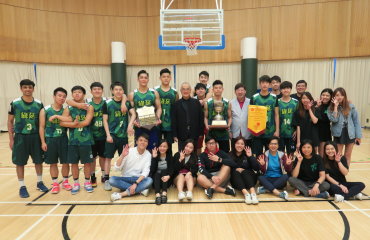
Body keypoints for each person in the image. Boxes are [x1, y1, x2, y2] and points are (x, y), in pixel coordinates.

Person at [8, 79, 48, 198]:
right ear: (21, 89)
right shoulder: (15, 103)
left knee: (38, 161)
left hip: (35, 136)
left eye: (30, 87)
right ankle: (22, 186)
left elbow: (42, 123)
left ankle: (40, 182)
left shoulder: (38, 103)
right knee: (20, 162)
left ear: (33, 89)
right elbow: (10, 121)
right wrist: (11, 139)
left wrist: (43, 140)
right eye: (25, 87)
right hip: (20, 137)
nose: (27, 89)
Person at [60, 86, 94, 195]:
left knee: (87, 163)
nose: (77, 94)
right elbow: (62, 123)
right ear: (72, 94)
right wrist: (72, 124)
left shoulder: (89, 107)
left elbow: (87, 122)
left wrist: (74, 124)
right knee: (74, 163)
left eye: (79, 92)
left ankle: (87, 183)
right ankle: (76, 183)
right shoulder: (68, 108)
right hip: (73, 141)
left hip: (86, 140)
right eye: (74, 92)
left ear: (84, 94)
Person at [103, 82, 136, 191]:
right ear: (112, 91)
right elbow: (105, 120)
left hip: (123, 136)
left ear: (123, 91)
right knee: (108, 158)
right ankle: (106, 179)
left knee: (125, 157)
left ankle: (125, 177)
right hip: (111, 135)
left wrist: (130, 125)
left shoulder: (126, 103)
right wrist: (108, 134)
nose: (118, 91)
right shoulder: (107, 103)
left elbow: (134, 114)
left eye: (120, 90)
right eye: (116, 89)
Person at [39, 87, 71, 194]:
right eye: (59, 96)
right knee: (53, 163)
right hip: (50, 140)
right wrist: (43, 142)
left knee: (66, 162)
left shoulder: (66, 110)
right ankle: (55, 183)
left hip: (63, 139)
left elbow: (70, 120)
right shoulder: (45, 110)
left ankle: (65, 181)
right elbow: (41, 127)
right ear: (54, 96)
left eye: (64, 96)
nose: (62, 98)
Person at [110, 134, 153, 201]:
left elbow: (145, 172)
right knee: (112, 180)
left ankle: (122, 194)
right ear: (136, 142)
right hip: (125, 178)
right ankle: (140, 190)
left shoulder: (148, 154)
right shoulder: (129, 151)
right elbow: (116, 168)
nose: (143, 142)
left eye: (145, 141)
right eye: (141, 140)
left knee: (149, 180)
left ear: (147, 143)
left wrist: (136, 183)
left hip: (138, 179)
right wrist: (122, 156)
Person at [328, 87, 362, 167]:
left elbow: (356, 122)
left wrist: (358, 136)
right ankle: (338, 173)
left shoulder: (351, 106)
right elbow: (334, 120)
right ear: (334, 96)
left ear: (344, 96)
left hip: (350, 133)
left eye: (342, 95)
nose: (339, 97)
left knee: (347, 155)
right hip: (338, 133)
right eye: (337, 95)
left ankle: (345, 172)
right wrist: (335, 107)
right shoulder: (331, 108)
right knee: (338, 155)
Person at [129, 70, 162, 150]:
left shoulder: (154, 93)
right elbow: (131, 111)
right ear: (138, 79)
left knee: (153, 149)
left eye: (145, 78)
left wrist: (157, 118)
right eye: (141, 78)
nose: (143, 79)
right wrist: (133, 121)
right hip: (139, 126)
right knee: (139, 149)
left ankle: (152, 163)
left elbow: (159, 108)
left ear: (148, 80)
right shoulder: (133, 94)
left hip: (152, 126)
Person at [250, 75, 279, 156]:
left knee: (270, 154)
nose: (265, 85)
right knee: (258, 155)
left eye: (266, 83)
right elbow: (251, 115)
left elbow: (276, 115)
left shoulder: (274, 98)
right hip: (257, 131)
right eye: (263, 82)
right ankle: (258, 168)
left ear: (269, 84)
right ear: (260, 84)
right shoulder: (254, 98)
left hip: (270, 131)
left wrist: (277, 130)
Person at [172, 82, 204, 151]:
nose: (185, 91)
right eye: (183, 89)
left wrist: (201, 132)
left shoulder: (196, 102)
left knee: (194, 154)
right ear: (180, 91)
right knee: (182, 153)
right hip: (181, 134)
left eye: (187, 89)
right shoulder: (176, 104)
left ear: (190, 90)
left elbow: (201, 118)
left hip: (194, 134)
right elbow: (174, 120)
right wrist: (174, 134)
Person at [154, 68, 179, 155]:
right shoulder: (155, 91)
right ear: (160, 78)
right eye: (163, 76)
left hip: (169, 124)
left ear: (170, 78)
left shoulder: (174, 92)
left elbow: (176, 110)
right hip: (157, 123)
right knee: (157, 145)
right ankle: (157, 164)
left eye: (168, 77)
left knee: (168, 146)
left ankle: (169, 165)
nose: (166, 78)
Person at [229, 136, 259, 204]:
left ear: (244, 145)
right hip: (237, 181)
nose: (240, 145)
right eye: (238, 143)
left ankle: (253, 194)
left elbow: (256, 168)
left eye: (242, 144)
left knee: (245, 171)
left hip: (249, 179)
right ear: (234, 144)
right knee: (235, 172)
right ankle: (246, 194)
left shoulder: (247, 154)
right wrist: (237, 169)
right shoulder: (229, 155)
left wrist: (250, 157)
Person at [204, 80, 232, 153]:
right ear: (213, 89)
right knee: (210, 154)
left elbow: (230, 117)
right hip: (212, 133)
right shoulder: (208, 102)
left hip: (224, 134)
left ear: (223, 89)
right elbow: (206, 117)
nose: (218, 89)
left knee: (225, 154)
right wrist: (207, 126)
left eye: (220, 88)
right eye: (216, 88)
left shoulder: (227, 102)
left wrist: (228, 125)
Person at [149, 139, 173, 205]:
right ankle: (157, 194)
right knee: (157, 172)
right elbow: (152, 170)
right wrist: (154, 158)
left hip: (166, 180)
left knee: (164, 171)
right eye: (161, 146)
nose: (162, 148)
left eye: (164, 146)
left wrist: (168, 176)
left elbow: (171, 169)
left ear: (168, 148)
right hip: (156, 180)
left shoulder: (170, 157)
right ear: (158, 147)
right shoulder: (155, 156)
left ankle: (164, 192)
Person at [278, 81, 298, 155]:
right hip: (280, 133)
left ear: (291, 89)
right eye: (283, 88)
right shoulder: (277, 102)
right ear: (281, 90)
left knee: (291, 153)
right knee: (280, 153)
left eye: (288, 88)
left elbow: (298, 118)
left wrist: (296, 130)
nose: (286, 90)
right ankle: (280, 166)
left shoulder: (296, 102)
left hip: (292, 133)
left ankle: (291, 166)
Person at [230, 83, 252, 148]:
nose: (240, 92)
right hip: (235, 133)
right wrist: (229, 131)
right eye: (238, 90)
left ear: (245, 91)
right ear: (235, 92)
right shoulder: (230, 103)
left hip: (247, 133)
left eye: (242, 90)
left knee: (247, 153)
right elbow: (229, 117)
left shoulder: (251, 102)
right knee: (235, 154)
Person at [316, 88, 333, 157]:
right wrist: (317, 107)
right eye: (323, 95)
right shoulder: (316, 104)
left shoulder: (332, 106)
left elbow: (327, 119)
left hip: (325, 132)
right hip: (315, 130)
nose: (325, 97)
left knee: (323, 153)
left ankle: (323, 167)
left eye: (327, 95)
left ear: (331, 97)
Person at [193, 83, 208, 155]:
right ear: (195, 91)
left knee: (209, 143)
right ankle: (198, 161)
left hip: (208, 125)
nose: (200, 90)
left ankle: (208, 160)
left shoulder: (209, 100)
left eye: (202, 89)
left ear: (205, 90)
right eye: (198, 89)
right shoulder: (192, 101)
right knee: (198, 145)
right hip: (197, 126)